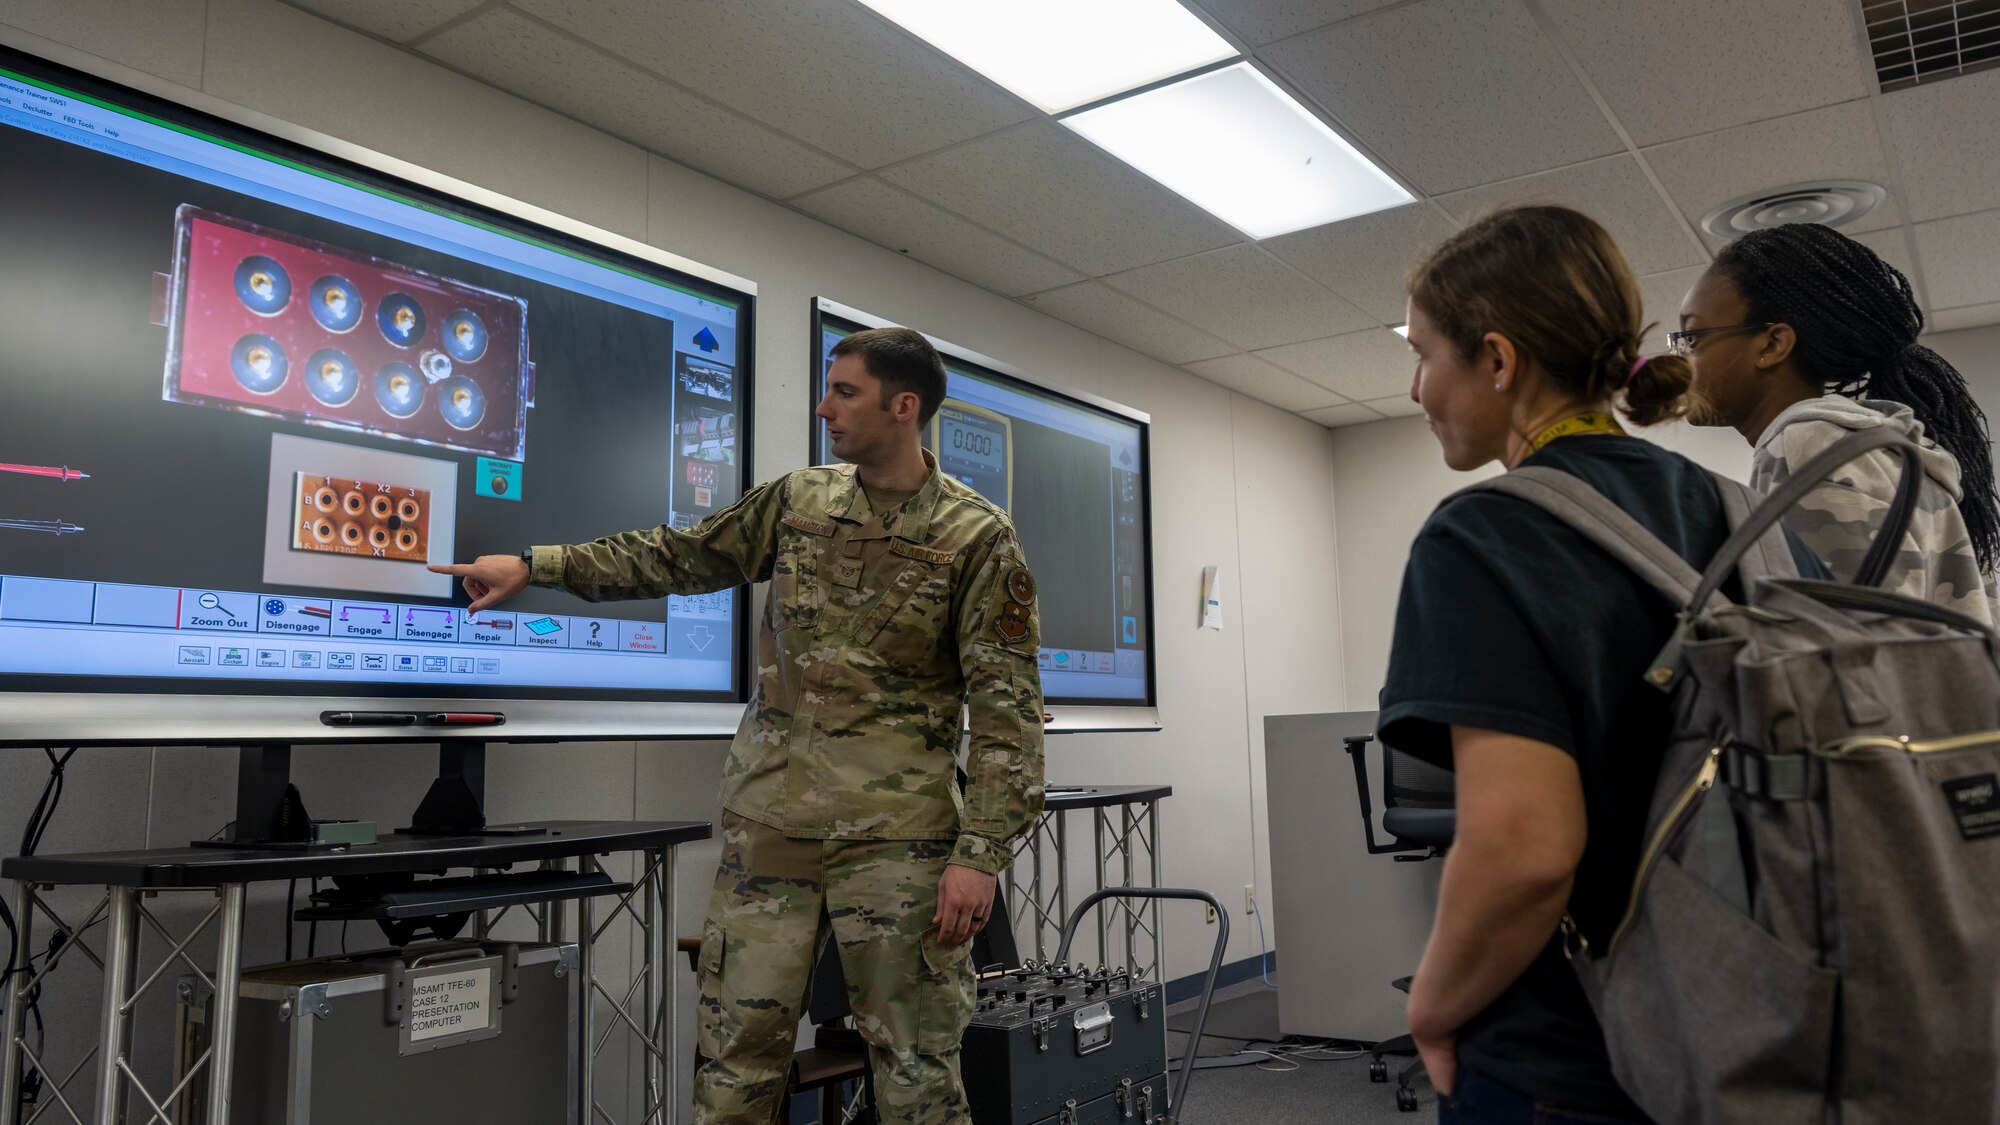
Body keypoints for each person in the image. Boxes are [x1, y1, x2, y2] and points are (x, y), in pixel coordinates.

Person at [433, 326, 1046, 1124]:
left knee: (917, 1074)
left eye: (845, 392)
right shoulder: (800, 502)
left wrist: (982, 855)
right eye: (828, 388)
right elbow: (677, 555)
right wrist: (537, 564)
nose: (824, 407)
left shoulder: (977, 537)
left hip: (901, 843)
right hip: (772, 828)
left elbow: (1010, 712)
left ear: (904, 408)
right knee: (734, 1063)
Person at [1378, 205, 1823, 1123]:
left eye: (1425, 353)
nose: (1416, 385)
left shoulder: (1482, 534)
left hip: (1573, 1056)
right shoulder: (1747, 515)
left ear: (1499, 361)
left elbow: (1524, 848)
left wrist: (1431, 1003)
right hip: (1755, 1027)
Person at [1676, 222, 1999, 624]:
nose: (1680, 360)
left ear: (1772, 345)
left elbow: (1840, 654)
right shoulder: (1881, 448)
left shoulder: (1805, 443)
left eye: (1691, 339)